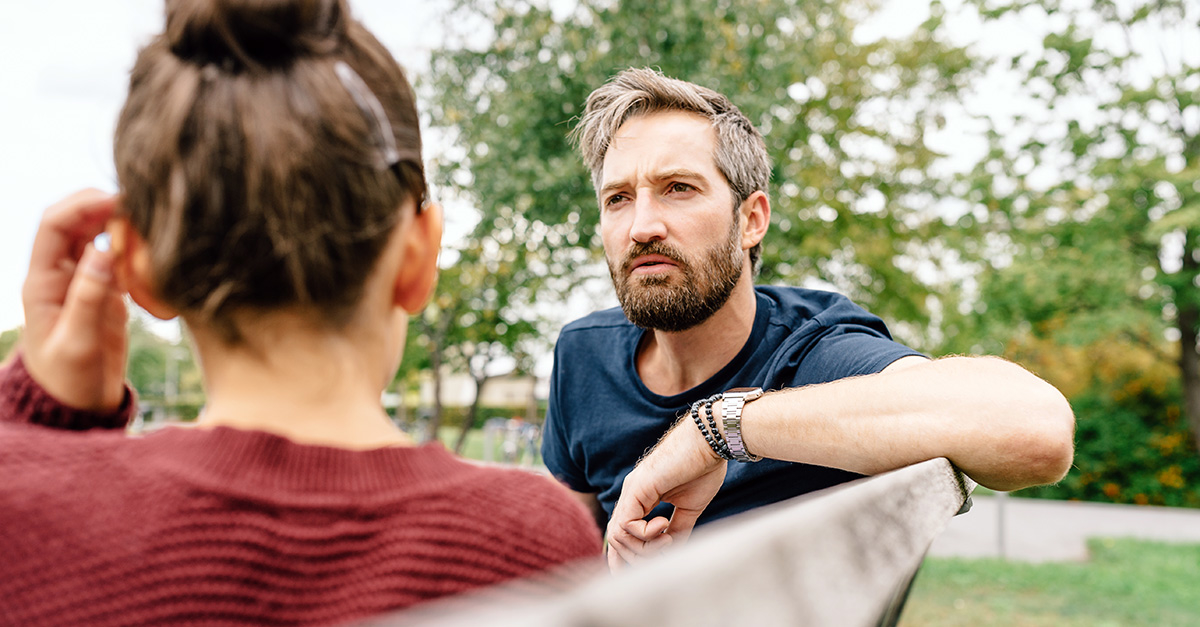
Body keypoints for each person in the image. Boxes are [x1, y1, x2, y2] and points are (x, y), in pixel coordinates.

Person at [0, 1, 600, 624]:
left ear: (135, 269)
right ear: (419, 258)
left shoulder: (21, 513)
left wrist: (45, 407)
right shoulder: (535, 545)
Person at [538, 68, 1075, 568]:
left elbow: (1037, 431)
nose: (642, 225)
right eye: (618, 199)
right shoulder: (582, 355)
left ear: (751, 220)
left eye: (679, 188)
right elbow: (561, 552)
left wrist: (713, 432)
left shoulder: (814, 349)